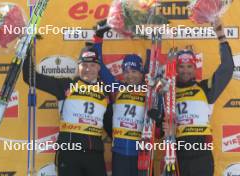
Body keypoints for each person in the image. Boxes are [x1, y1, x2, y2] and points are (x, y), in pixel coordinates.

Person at [22, 44, 113, 176]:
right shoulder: (66, 85)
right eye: (84, 65)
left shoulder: (104, 92)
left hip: (95, 154)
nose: (88, 69)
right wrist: (28, 48)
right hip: (69, 152)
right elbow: (30, 77)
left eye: (92, 65)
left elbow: (110, 125)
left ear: (99, 67)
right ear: (78, 66)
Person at [162, 18, 234, 176]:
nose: (185, 71)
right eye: (181, 66)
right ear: (176, 68)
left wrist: (221, 35)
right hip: (178, 153)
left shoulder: (205, 88)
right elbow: (159, 125)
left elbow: (227, 69)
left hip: (202, 153)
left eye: (189, 67)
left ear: (195, 68)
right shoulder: (169, 91)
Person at [92, 21, 164, 176]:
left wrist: (157, 119)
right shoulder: (117, 87)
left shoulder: (148, 90)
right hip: (119, 153)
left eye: (134, 71)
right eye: (126, 71)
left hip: (143, 153)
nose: (130, 75)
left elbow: (158, 127)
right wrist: (98, 37)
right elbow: (100, 65)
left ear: (141, 73)